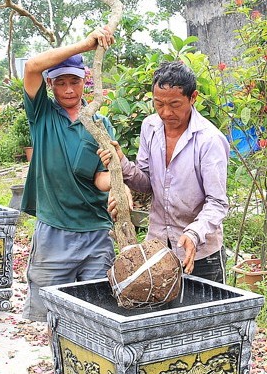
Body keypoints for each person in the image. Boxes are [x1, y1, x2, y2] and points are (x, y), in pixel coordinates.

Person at [97, 61, 230, 283]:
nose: (166, 112)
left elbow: (217, 202)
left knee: (202, 315)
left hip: (200, 256)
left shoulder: (209, 140)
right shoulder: (150, 127)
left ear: (193, 97)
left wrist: (193, 233)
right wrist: (121, 161)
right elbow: (146, 183)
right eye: (159, 104)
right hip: (158, 249)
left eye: (175, 104)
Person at [19, 26, 116, 322]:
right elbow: (32, 66)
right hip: (54, 231)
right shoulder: (42, 115)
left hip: (95, 232)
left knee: (98, 310)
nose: (69, 90)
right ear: (52, 86)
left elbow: (101, 180)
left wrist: (118, 175)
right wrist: (86, 45)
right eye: (61, 83)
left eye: (74, 81)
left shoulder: (99, 124)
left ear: (85, 82)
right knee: (52, 311)